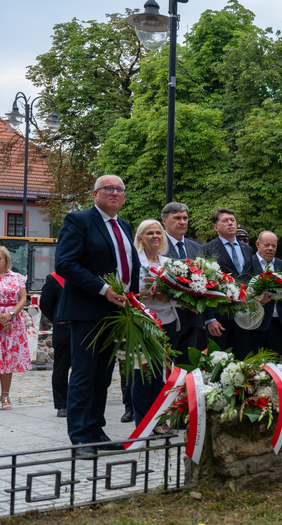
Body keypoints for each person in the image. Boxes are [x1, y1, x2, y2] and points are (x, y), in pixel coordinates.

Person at [55, 174, 140, 453]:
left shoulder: (124, 226)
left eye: (120, 189)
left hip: (116, 312)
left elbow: (129, 267)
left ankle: (95, 430)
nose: (115, 193)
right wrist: (103, 289)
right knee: (84, 373)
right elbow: (66, 263)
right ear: (95, 194)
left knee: (103, 375)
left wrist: (137, 298)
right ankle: (79, 437)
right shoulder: (79, 221)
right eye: (108, 189)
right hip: (87, 310)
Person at [131, 219, 179, 432]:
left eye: (158, 233)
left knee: (165, 374)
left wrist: (169, 296)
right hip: (143, 323)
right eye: (149, 233)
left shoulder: (169, 263)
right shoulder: (134, 262)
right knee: (143, 374)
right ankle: (144, 422)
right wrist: (145, 293)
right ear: (141, 238)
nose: (155, 236)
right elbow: (125, 291)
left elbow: (180, 294)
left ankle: (160, 419)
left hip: (167, 322)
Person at [200, 208, 254, 351]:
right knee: (219, 362)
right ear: (216, 227)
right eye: (225, 221)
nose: (230, 223)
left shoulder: (247, 249)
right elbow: (202, 285)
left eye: (232, 220)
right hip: (220, 317)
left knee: (242, 363)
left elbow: (249, 278)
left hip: (244, 316)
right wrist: (209, 318)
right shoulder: (207, 249)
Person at [161, 201, 203, 351]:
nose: (182, 222)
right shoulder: (157, 246)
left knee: (189, 368)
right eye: (177, 218)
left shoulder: (197, 248)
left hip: (193, 319)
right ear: (164, 221)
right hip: (167, 315)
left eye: (185, 218)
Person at [248, 231, 282, 358]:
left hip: (278, 323)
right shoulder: (249, 263)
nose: (270, 249)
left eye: (274, 246)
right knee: (254, 363)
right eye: (266, 245)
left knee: (275, 365)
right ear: (257, 244)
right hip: (256, 323)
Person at [0, 246, 29, 410]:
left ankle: (5, 396)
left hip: (12, 321)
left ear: (6, 260)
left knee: (7, 361)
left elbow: (23, 298)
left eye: (0, 258)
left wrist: (10, 314)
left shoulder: (17, 277)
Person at [38, 271, 69, 417]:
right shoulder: (54, 278)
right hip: (64, 328)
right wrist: (58, 318)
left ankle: (78, 401)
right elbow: (45, 304)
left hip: (84, 327)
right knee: (61, 367)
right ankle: (62, 404)